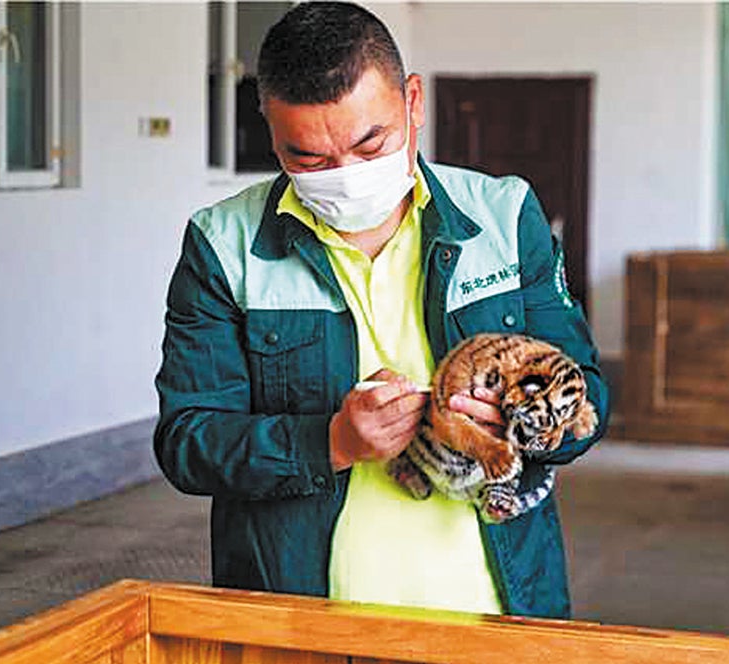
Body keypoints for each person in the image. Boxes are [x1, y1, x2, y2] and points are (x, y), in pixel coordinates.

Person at [154, 1, 609, 620]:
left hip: (496, 615)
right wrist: (329, 441)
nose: (346, 177)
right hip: (305, 626)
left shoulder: (503, 217)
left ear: (413, 102)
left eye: (372, 143)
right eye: (308, 158)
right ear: (271, 130)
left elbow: (593, 399)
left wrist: (519, 421)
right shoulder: (223, 246)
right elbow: (187, 441)